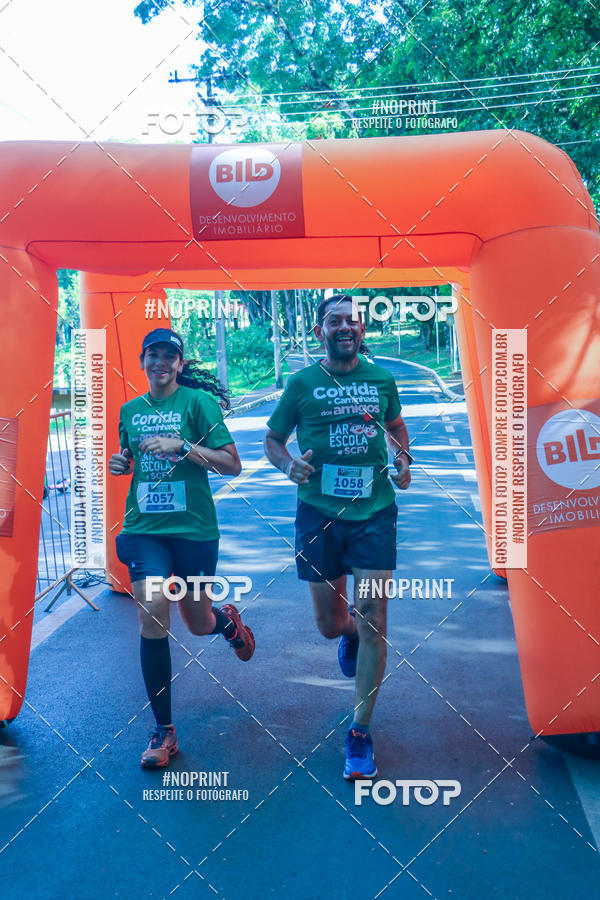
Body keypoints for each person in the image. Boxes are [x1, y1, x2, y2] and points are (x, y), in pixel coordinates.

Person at [264, 294, 411, 779]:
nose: (345, 327)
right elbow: (272, 440)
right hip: (319, 513)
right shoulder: (302, 383)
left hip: (374, 512)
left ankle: (360, 733)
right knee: (330, 623)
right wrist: (289, 464)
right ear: (320, 330)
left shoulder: (381, 379)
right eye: (335, 321)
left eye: (353, 320)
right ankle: (345, 633)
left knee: (374, 616)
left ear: (363, 331)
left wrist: (403, 460)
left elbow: (395, 427)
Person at [108, 327, 254, 769]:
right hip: (144, 529)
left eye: (169, 356)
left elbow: (233, 464)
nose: (161, 363)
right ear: (142, 361)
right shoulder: (130, 410)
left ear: (180, 364)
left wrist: (184, 446)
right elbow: (128, 458)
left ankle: (226, 624)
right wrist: (122, 463)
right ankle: (163, 731)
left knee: (195, 622)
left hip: (192, 531)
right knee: (152, 610)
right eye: (153, 355)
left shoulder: (198, 404)